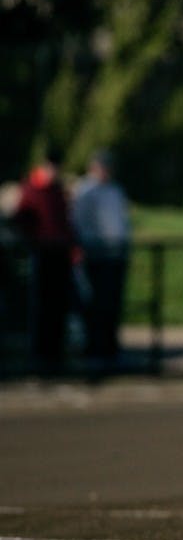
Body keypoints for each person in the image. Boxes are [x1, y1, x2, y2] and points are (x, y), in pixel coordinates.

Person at [12, 145, 76, 376]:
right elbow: (22, 218)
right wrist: (32, 240)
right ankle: (40, 353)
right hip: (42, 253)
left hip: (60, 253)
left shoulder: (58, 191)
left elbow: (65, 222)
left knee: (58, 306)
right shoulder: (34, 188)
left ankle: (55, 352)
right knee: (41, 305)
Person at [72, 150, 132, 375]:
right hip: (96, 255)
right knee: (96, 306)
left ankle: (110, 350)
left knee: (113, 305)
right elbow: (81, 223)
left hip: (115, 255)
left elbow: (122, 222)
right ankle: (95, 351)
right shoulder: (87, 191)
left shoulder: (115, 191)